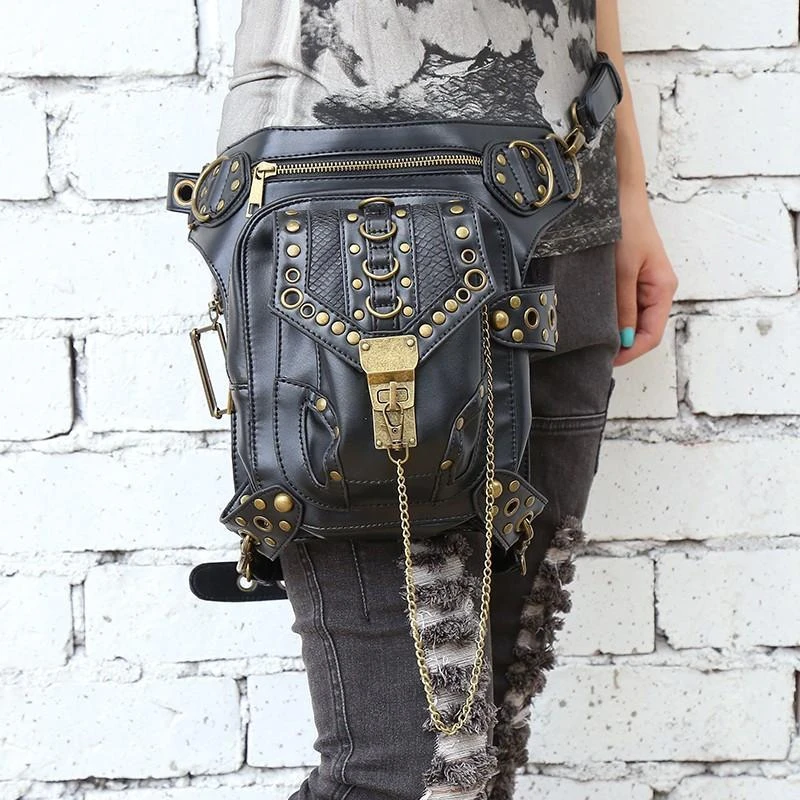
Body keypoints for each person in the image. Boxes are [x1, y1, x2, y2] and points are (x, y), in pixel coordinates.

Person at [216, 2, 678, 799]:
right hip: (345, 217)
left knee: (481, 758)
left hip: (567, 207)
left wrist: (629, 193)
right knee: (402, 774)